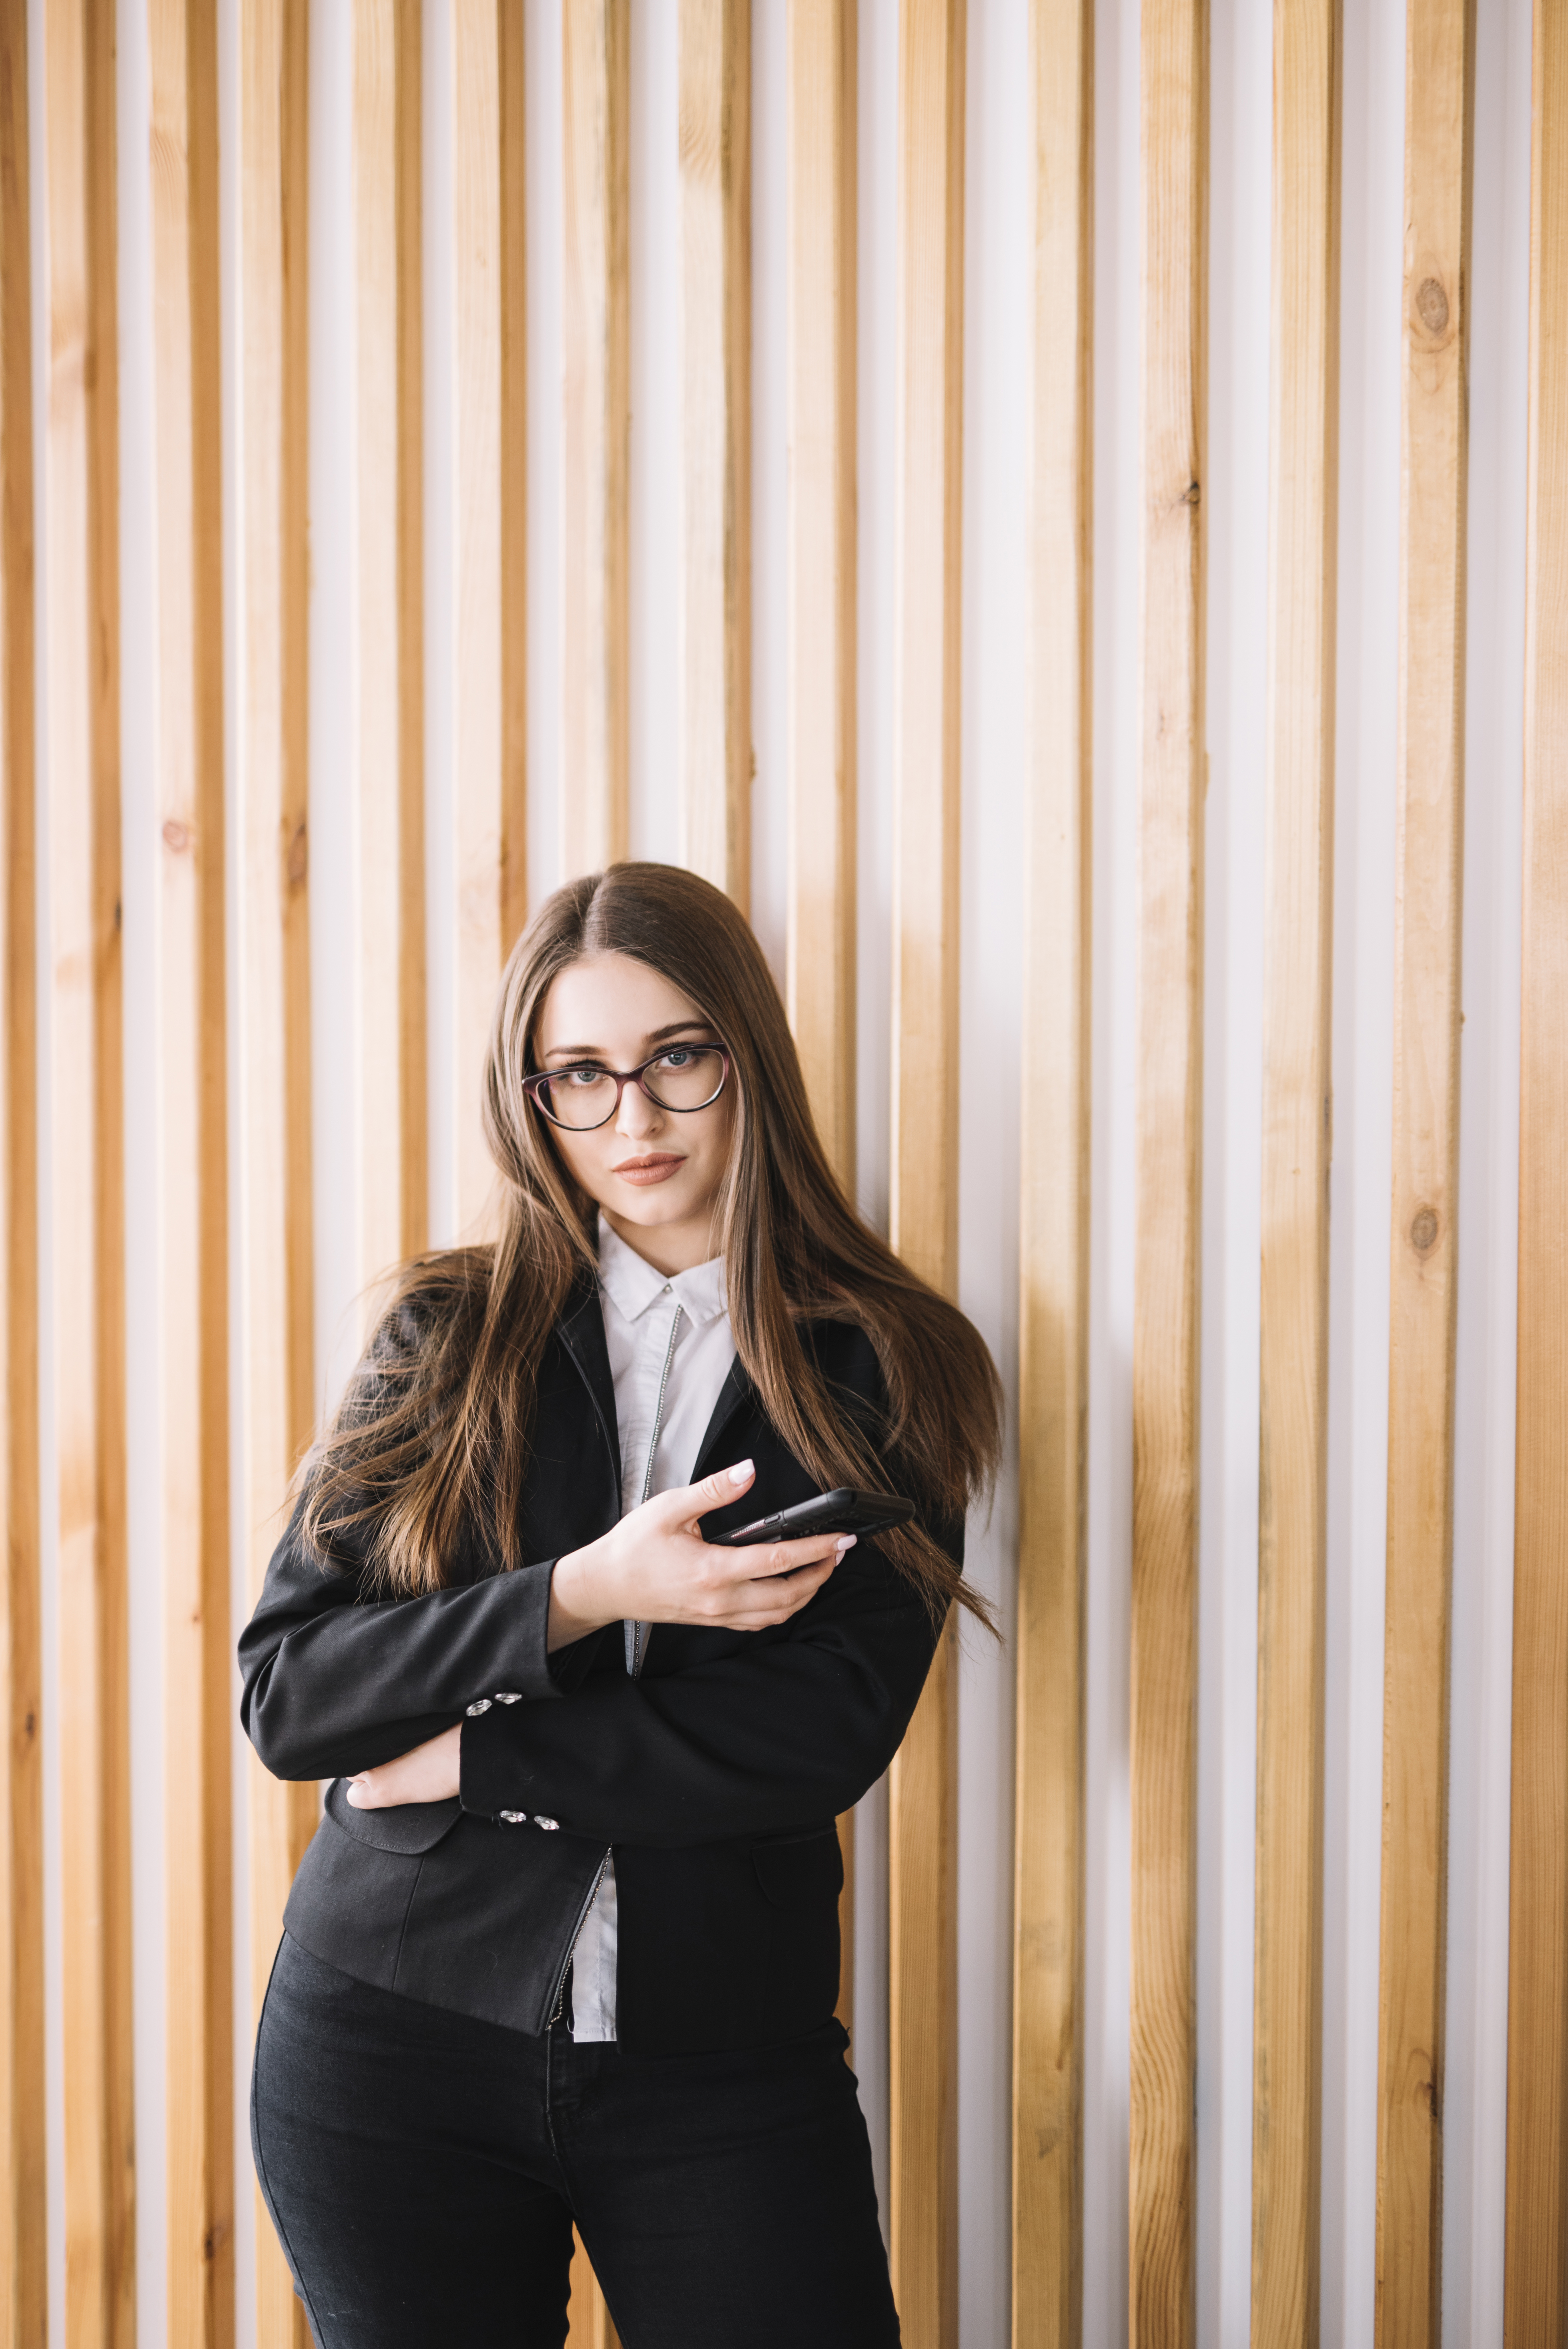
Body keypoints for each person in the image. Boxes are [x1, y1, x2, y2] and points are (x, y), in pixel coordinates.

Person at [241, 861, 1001, 2349]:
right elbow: (297, 1694)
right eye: (580, 1075)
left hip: (721, 2064)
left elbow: (809, 1742)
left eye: (676, 1060)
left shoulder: (884, 1364)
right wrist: (582, 1596)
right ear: (532, 1095)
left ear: (747, 1059)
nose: (633, 1122)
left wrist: (473, 1755)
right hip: (386, 2039)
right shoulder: (443, 1333)